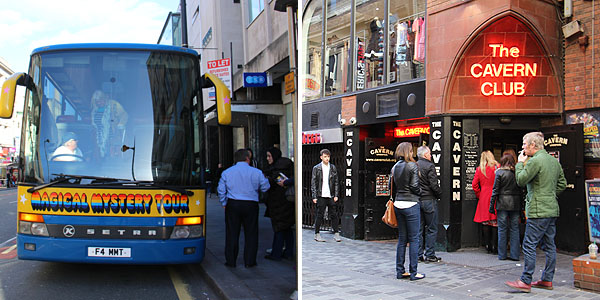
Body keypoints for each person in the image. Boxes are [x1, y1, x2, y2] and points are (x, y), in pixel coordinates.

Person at [505, 132, 566, 293]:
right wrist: (549, 195)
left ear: (533, 145)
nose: (523, 147)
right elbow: (562, 184)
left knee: (529, 244)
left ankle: (525, 280)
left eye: (525, 144)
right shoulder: (553, 161)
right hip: (551, 208)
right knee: (549, 245)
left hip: (538, 210)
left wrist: (519, 163)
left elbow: (521, 180)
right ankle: (547, 279)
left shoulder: (535, 161)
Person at [218, 149, 270, 268]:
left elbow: (221, 190)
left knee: (232, 233)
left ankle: (231, 261)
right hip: (250, 204)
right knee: (251, 233)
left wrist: (224, 202)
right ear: (247, 158)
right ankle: (249, 261)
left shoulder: (227, 172)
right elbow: (265, 187)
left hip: (233, 203)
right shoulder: (256, 172)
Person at [391, 142, 424, 281]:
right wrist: (421, 193)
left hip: (398, 203)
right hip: (411, 203)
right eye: (411, 150)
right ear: (408, 151)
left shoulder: (394, 167)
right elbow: (415, 186)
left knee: (402, 239)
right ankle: (413, 272)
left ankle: (400, 271)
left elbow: (390, 186)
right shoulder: (412, 165)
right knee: (414, 239)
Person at [263, 147, 295, 261]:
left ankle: (276, 253)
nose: (267, 159)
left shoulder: (275, 170)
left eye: (269, 156)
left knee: (279, 228)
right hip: (287, 202)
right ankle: (288, 252)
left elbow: (268, 185)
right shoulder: (288, 166)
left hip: (277, 203)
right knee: (286, 229)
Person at [489, 154, 521, 261]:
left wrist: (491, 205)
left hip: (502, 203)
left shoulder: (499, 173)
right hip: (515, 203)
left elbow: (495, 190)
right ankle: (515, 255)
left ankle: (502, 254)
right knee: (514, 229)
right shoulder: (517, 173)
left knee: (502, 229)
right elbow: (522, 190)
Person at [416, 145, 442, 263]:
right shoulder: (430, 166)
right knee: (431, 228)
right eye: (430, 154)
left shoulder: (414, 165)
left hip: (417, 200)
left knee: (419, 229)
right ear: (425, 155)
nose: (431, 155)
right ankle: (430, 254)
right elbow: (434, 184)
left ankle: (418, 254)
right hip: (429, 200)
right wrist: (439, 194)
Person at [311, 149, 340, 242]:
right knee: (320, 214)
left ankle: (336, 233)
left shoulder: (332, 168)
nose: (327, 158)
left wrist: (336, 194)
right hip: (321, 195)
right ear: (321, 157)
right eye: (325, 156)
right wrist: (314, 196)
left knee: (334, 214)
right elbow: (313, 183)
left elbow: (336, 182)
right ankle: (317, 233)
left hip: (330, 195)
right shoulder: (317, 168)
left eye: (328, 156)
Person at [472, 150, 498, 254]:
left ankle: (487, 245)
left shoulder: (480, 169)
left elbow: (474, 185)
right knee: (495, 222)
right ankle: (495, 246)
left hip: (484, 196)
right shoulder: (497, 167)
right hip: (495, 196)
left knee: (485, 222)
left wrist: (479, 194)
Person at [90, 90, 128, 158]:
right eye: (97, 101)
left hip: (112, 137)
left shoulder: (114, 105)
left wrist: (121, 124)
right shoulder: (94, 110)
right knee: (100, 156)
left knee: (112, 157)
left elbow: (124, 115)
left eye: (101, 100)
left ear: (104, 98)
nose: (99, 103)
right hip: (99, 138)